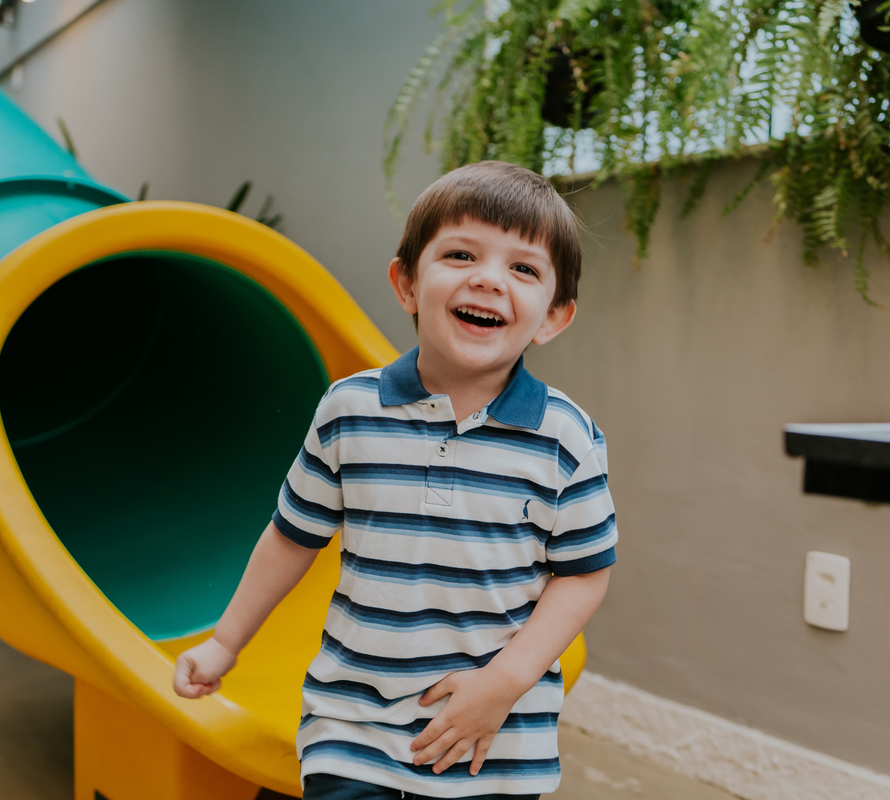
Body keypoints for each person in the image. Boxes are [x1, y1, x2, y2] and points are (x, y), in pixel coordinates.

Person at [173, 161, 616, 799]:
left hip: (493, 734)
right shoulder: (350, 411)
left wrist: (502, 685)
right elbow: (291, 536)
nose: (489, 280)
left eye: (523, 268)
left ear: (554, 315)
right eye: (461, 254)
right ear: (407, 282)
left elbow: (583, 573)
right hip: (353, 723)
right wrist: (224, 642)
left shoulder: (564, 437)